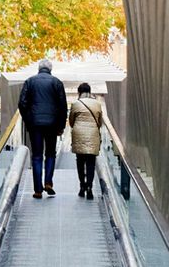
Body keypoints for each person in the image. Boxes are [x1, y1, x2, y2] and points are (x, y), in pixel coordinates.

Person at [17, 58, 67, 199]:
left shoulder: (30, 82)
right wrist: (61, 126)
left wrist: (29, 119)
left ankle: (38, 190)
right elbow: (63, 107)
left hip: (35, 124)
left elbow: (22, 103)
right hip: (52, 124)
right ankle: (48, 182)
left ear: (39, 69)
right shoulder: (57, 83)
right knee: (50, 154)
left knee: (37, 156)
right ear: (50, 69)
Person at [69, 82, 104, 200]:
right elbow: (100, 122)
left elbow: (71, 122)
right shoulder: (97, 104)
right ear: (90, 91)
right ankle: (89, 187)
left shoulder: (75, 104)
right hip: (92, 134)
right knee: (91, 162)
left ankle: (82, 186)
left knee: (80, 161)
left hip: (78, 134)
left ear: (79, 92)